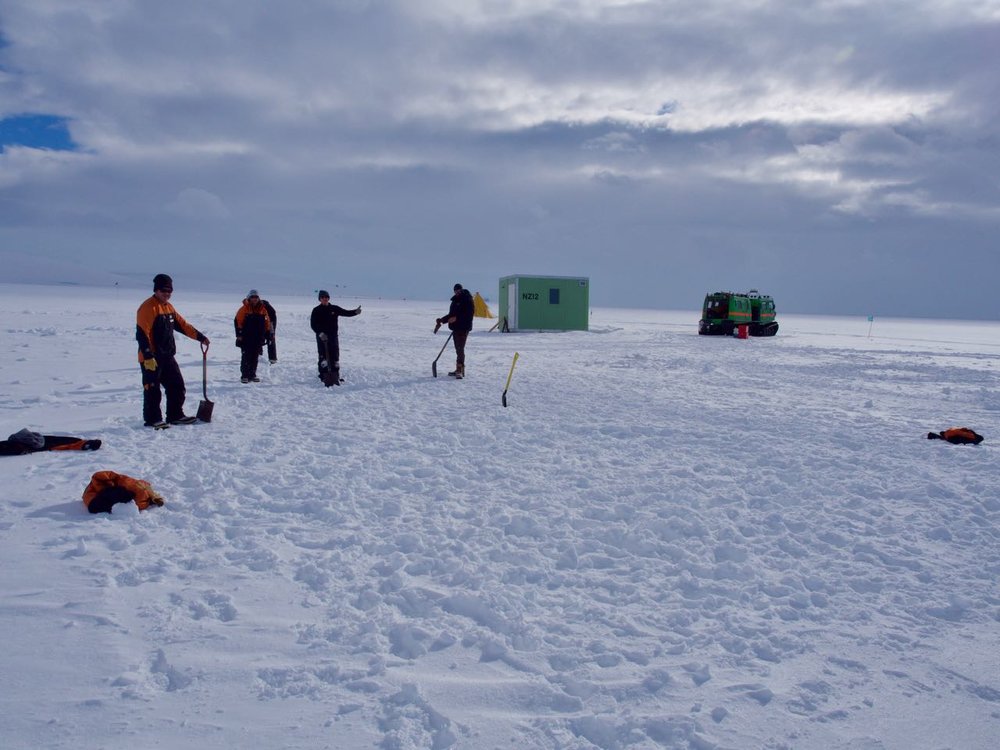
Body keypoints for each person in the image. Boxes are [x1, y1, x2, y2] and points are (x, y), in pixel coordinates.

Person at [136, 274, 210, 426]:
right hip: (151, 357)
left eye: (169, 291)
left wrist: (200, 337)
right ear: (156, 290)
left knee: (177, 386)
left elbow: (182, 325)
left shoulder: (168, 307)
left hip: (167, 355)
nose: (167, 294)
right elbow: (142, 333)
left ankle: (175, 415)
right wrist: (148, 356)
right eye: (163, 291)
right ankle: (153, 420)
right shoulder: (148, 307)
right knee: (152, 389)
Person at [310, 290, 361, 386]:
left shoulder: (334, 308)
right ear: (320, 299)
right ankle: (323, 375)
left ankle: (335, 376)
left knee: (334, 356)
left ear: (328, 298)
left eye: (326, 297)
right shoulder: (316, 310)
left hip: (333, 337)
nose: (325, 299)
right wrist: (320, 334)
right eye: (322, 297)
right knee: (323, 356)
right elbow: (313, 324)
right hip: (321, 338)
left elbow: (345, 312)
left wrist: (355, 312)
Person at [435, 283, 475, 378]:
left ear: (461, 290)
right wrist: (442, 320)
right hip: (456, 328)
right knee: (458, 349)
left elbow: (469, 315)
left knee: (460, 348)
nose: (457, 292)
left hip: (463, 328)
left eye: (459, 290)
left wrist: (456, 318)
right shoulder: (455, 301)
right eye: (455, 291)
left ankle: (460, 370)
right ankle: (459, 368)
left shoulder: (467, 299)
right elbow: (451, 315)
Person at [234, 290, 273, 383]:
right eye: (253, 297)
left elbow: (267, 322)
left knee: (255, 356)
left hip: (258, 337)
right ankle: (245, 375)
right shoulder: (244, 309)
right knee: (246, 356)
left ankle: (252, 374)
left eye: (256, 297)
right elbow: (237, 322)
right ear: (249, 298)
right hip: (246, 337)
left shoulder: (263, 309)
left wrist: (268, 334)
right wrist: (239, 335)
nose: (254, 299)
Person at [262, 298, 278, 363]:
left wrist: (271, 331)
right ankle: (258, 356)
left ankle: (273, 359)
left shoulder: (267, 308)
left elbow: (272, 317)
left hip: (271, 320)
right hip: (263, 321)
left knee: (271, 339)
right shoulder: (251, 307)